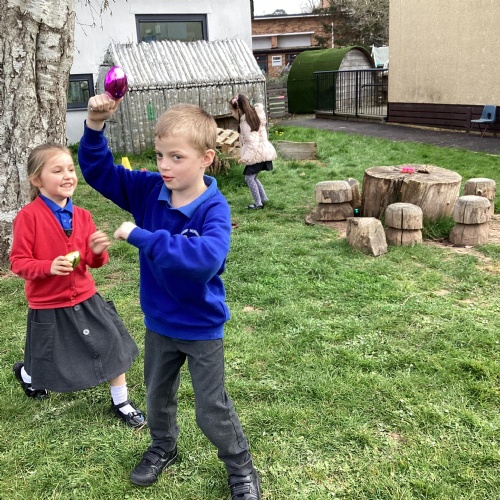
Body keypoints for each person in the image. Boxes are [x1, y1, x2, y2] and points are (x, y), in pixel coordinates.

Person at [77, 94, 261, 500]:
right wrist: (94, 125)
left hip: (201, 326)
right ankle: (163, 446)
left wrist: (142, 236)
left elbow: (204, 260)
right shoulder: (149, 189)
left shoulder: (214, 209)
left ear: (206, 159)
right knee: (157, 396)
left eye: (176, 157)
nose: (164, 165)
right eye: (160, 155)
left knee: (211, 408)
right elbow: (98, 171)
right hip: (159, 323)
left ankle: (241, 468)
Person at [9, 143, 145, 429]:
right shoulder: (28, 217)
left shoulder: (82, 216)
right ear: (37, 180)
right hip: (48, 304)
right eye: (57, 170)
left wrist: (96, 251)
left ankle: (121, 401)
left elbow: (94, 263)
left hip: (86, 296)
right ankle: (27, 375)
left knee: (112, 343)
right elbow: (18, 262)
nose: (68, 175)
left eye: (71, 169)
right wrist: (47, 267)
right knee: (47, 359)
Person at [228, 94, 277, 210]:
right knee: (252, 177)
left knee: (249, 178)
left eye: (232, 111)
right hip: (260, 152)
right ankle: (263, 199)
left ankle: (258, 204)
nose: (231, 114)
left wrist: (245, 158)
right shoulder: (250, 118)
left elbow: (253, 143)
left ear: (239, 109)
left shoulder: (246, 123)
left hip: (257, 154)